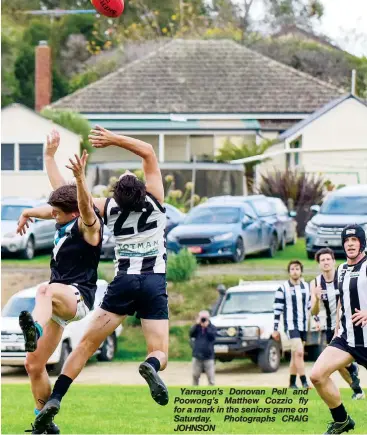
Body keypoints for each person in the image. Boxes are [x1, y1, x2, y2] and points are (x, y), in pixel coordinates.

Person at [33, 126, 169, 433]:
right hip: (153, 282)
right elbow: (147, 150)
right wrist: (114, 139)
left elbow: (70, 200)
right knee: (160, 350)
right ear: (142, 190)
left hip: (122, 284)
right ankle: (151, 365)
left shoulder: (108, 209)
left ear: (117, 195)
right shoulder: (156, 201)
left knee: (84, 346)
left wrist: (75, 176)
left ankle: (56, 398)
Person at [16, 145, 103, 434]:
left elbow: (86, 207)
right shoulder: (62, 217)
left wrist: (80, 180)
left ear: (72, 212)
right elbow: (54, 199)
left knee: (45, 290)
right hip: (57, 307)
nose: (52, 215)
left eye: (56, 213)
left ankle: (34, 330)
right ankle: (44, 420)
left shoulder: (88, 227)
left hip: (77, 297)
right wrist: (49, 157)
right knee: (33, 364)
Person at [310, 224, 367, 434]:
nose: (350, 244)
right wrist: (336, 330)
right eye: (346, 240)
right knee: (317, 376)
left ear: (362, 242)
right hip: (346, 339)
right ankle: (341, 420)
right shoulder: (341, 269)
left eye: (354, 240)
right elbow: (342, 303)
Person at [311, 247, 364, 400]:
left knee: (342, 363)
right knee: (338, 366)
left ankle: (353, 374)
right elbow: (313, 312)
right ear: (319, 264)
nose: (326, 262)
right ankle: (357, 389)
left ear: (333, 261)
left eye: (328, 259)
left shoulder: (344, 275)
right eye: (322, 260)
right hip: (330, 327)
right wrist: (317, 298)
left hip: (351, 324)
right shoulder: (315, 283)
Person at [272, 260, 311, 389]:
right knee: (299, 352)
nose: (295, 271)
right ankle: (304, 382)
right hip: (291, 325)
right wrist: (275, 329)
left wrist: (316, 320)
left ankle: (292, 383)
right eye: (292, 269)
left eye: (297, 269)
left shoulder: (306, 287)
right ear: (289, 272)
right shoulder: (282, 288)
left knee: (296, 355)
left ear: (301, 271)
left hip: (303, 325)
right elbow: (277, 310)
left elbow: (309, 306)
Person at [190, 310, 217, 386]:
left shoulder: (212, 327)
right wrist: (196, 324)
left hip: (209, 357)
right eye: (202, 318)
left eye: (205, 318)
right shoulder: (197, 327)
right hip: (197, 356)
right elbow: (191, 334)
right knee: (195, 376)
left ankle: (211, 394)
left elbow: (212, 337)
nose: (203, 319)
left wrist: (207, 327)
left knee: (211, 378)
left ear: (208, 318)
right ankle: (194, 393)